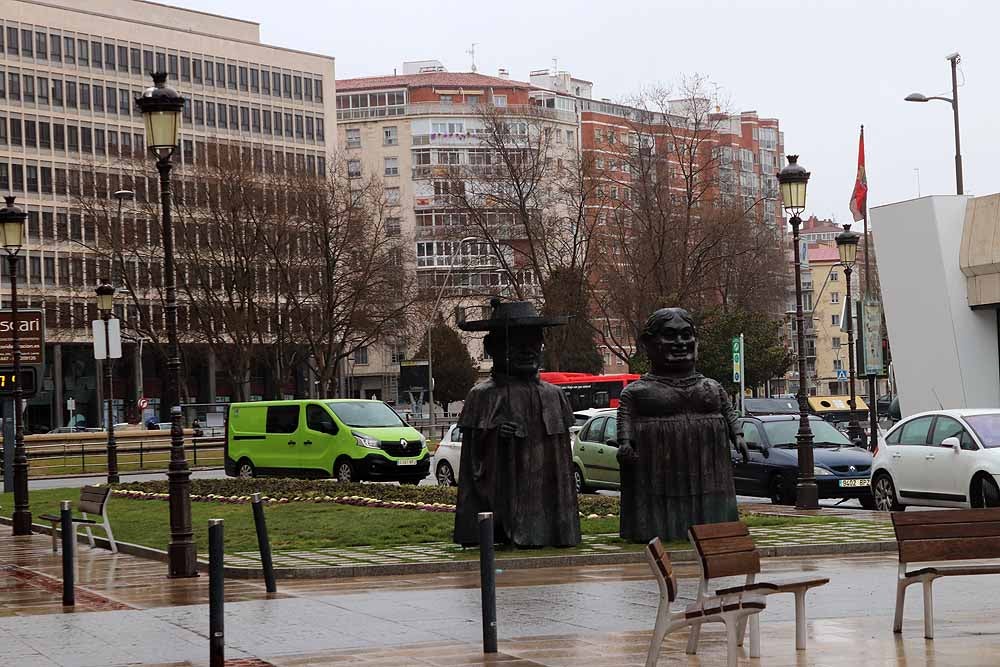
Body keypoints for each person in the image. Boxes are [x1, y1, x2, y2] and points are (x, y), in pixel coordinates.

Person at [453, 299, 580, 548]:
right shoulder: (483, 395)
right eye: (516, 343)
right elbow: (472, 462)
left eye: (533, 342)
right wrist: (495, 437)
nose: (527, 350)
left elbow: (561, 464)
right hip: (506, 499)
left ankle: (552, 531)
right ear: (494, 347)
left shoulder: (553, 395)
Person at [617, 308, 750, 543]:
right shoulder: (636, 392)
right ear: (649, 343)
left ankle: (713, 530)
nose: (680, 342)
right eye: (669, 335)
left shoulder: (711, 386)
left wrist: (737, 435)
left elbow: (727, 411)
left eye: (686, 335)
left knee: (709, 506)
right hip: (659, 468)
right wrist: (625, 444)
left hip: (709, 467)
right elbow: (625, 420)